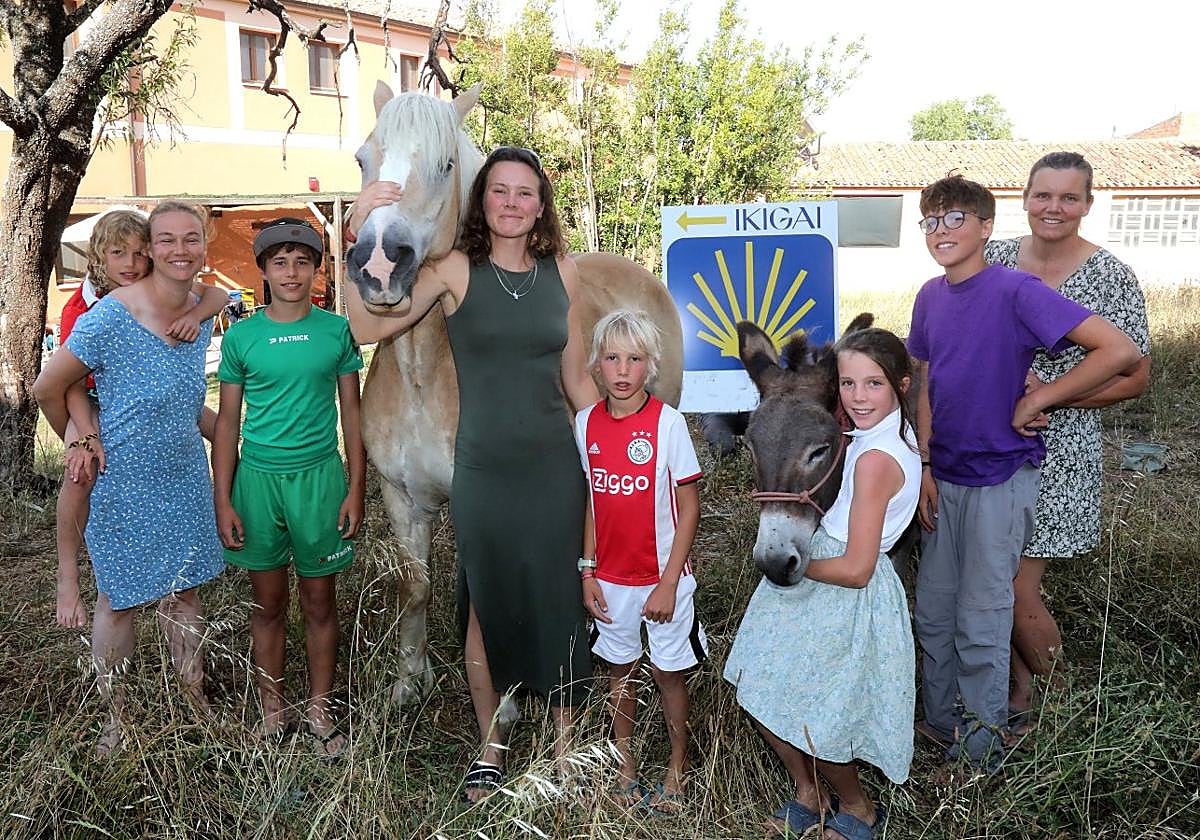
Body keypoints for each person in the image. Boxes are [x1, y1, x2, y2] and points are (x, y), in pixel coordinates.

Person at [346, 146, 598, 800]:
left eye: (525, 193)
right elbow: (364, 324)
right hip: (482, 469)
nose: (511, 203)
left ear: (541, 206)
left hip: (553, 467)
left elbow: (576, 381)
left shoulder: (563, 275)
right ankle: (491, 745)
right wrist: (357, 231)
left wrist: (631, 441)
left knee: (559, 604)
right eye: (500, 191)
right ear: (480, 199)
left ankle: (567, 748)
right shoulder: (455, 270)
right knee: (482, 605)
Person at [907, 175, 1141, 773]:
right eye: (931, 221)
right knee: (935, 609)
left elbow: (1117, 352)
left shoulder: (1016, 290)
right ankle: (940, 725)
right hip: (948, 477)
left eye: (956, 218)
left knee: (984, 614)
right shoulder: (930, 295)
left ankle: (981, 752)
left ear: (987, 227)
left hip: (1000, 478)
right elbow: (928, 379)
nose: (942, 232)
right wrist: (928, 463)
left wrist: (1041, 401)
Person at [33, 200, 227, 755]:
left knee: (185, 596)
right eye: (165, 240)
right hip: (122, 481)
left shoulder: (202, 311)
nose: (177, 250)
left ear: (204, 247)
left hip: (184, 473)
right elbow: (49, 386)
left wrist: (235, 440)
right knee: (118, 601)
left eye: (191, 239)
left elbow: (187, 402)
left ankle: (194, 699)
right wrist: (79, 437)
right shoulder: (111, 316)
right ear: (154, 245)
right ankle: (118, 719)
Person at [724, 327, 919, 839]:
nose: (858, 397)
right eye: (849, 384)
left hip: (843, 589)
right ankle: (810, 791)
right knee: (755, 682)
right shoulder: (861, 436)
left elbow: (857, 569)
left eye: (873, 385)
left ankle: (857, 808)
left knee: (822, 711)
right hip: (813, 574)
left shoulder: (877, 460)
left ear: (902, 383)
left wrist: (799, 566)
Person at [985, 152, 1151, 727]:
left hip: (1061, 449)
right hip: (989, 442)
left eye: (1069, 197)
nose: (1054, 207)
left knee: (1012, 587)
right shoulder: (997, 257)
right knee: (989, 578)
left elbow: (1136, 376)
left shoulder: (1109, 276)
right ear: (1024, 197)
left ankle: (1072, 711)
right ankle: (1020, 699)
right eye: (1043, 195)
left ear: (1087, 204)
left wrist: (1047, 397)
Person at [212, 218, 365, 758]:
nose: (292, 272)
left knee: (320, 600)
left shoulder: (335, 331)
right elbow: (228, 423)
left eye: (303, 261)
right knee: (267, 602)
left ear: (317, 269)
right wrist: (223, 498)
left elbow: (352, 415)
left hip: (320, 480)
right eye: (280, 263)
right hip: (258, 482)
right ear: (264, 273)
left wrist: (355, 487)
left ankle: (321, 710)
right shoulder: (242, 335)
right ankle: (273, 711)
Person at [52, 209, 226, 631]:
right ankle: (67, 572)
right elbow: (66, 383)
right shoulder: (88, 308)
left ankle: (188, 687)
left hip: (151, 413)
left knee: (220, 427)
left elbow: (218, 294)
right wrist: (81, 435)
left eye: (137, 253)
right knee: (81, 474)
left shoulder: (172, 296)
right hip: (90, 403)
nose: (129, 264)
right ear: (98, 257)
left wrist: (196, 315)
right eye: (118, 254)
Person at [574, 310, 704, 814]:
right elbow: (591, 497)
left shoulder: (668, 424)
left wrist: (669, 582)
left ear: (650, 365)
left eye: (634, 358)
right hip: (609, 582)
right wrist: (587, 570)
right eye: (612, 358)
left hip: (661, 579)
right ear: (596, 365)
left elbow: (689, 505)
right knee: (619, 672)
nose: (622, 369)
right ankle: (623, 764)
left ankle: (678, 764)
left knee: (669, 674)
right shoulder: (585, 424)